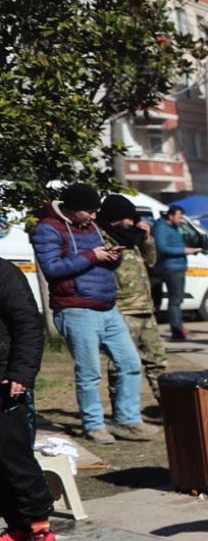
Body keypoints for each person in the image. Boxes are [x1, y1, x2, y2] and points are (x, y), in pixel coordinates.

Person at [30, 182, 148, 444]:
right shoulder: (47, 229)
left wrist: (111, 256)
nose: (95, 217)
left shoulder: (91, 226)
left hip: (107, 307)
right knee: (90, 371)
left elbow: (99, 257)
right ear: (73, 209)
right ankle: (94, 425)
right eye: (89, 211)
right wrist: (92, 256)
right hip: (75, 309)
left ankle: (128, 420)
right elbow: (52, 268)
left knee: (130, 362)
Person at [0, 258, 57, 541]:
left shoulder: (4, 273)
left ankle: (41, 527)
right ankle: (17, 525)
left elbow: (27, 325)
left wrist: (21, 373)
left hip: (6, 383)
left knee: (15, 458)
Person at [97, 194, 167, 406]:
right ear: (114, 217)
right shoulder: (103, 238)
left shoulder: (132, 238)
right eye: (127, 218)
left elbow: (151, 261)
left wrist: (147, 238)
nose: (131, 222)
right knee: (121, 364)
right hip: (123, 310)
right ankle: (122, 410)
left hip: (145, 308)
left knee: (157, 360)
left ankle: (167, 405)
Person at [150, 204, 192, 341]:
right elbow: (162, 248)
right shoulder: (161, 228)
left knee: (178, 299)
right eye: (179, 217)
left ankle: (178, 326)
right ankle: (176, 330)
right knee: (174, 300)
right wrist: (183, 251)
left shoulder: (174, 228)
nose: (181, 220)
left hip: (178, 266)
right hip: (171, 267)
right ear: (171, 216)